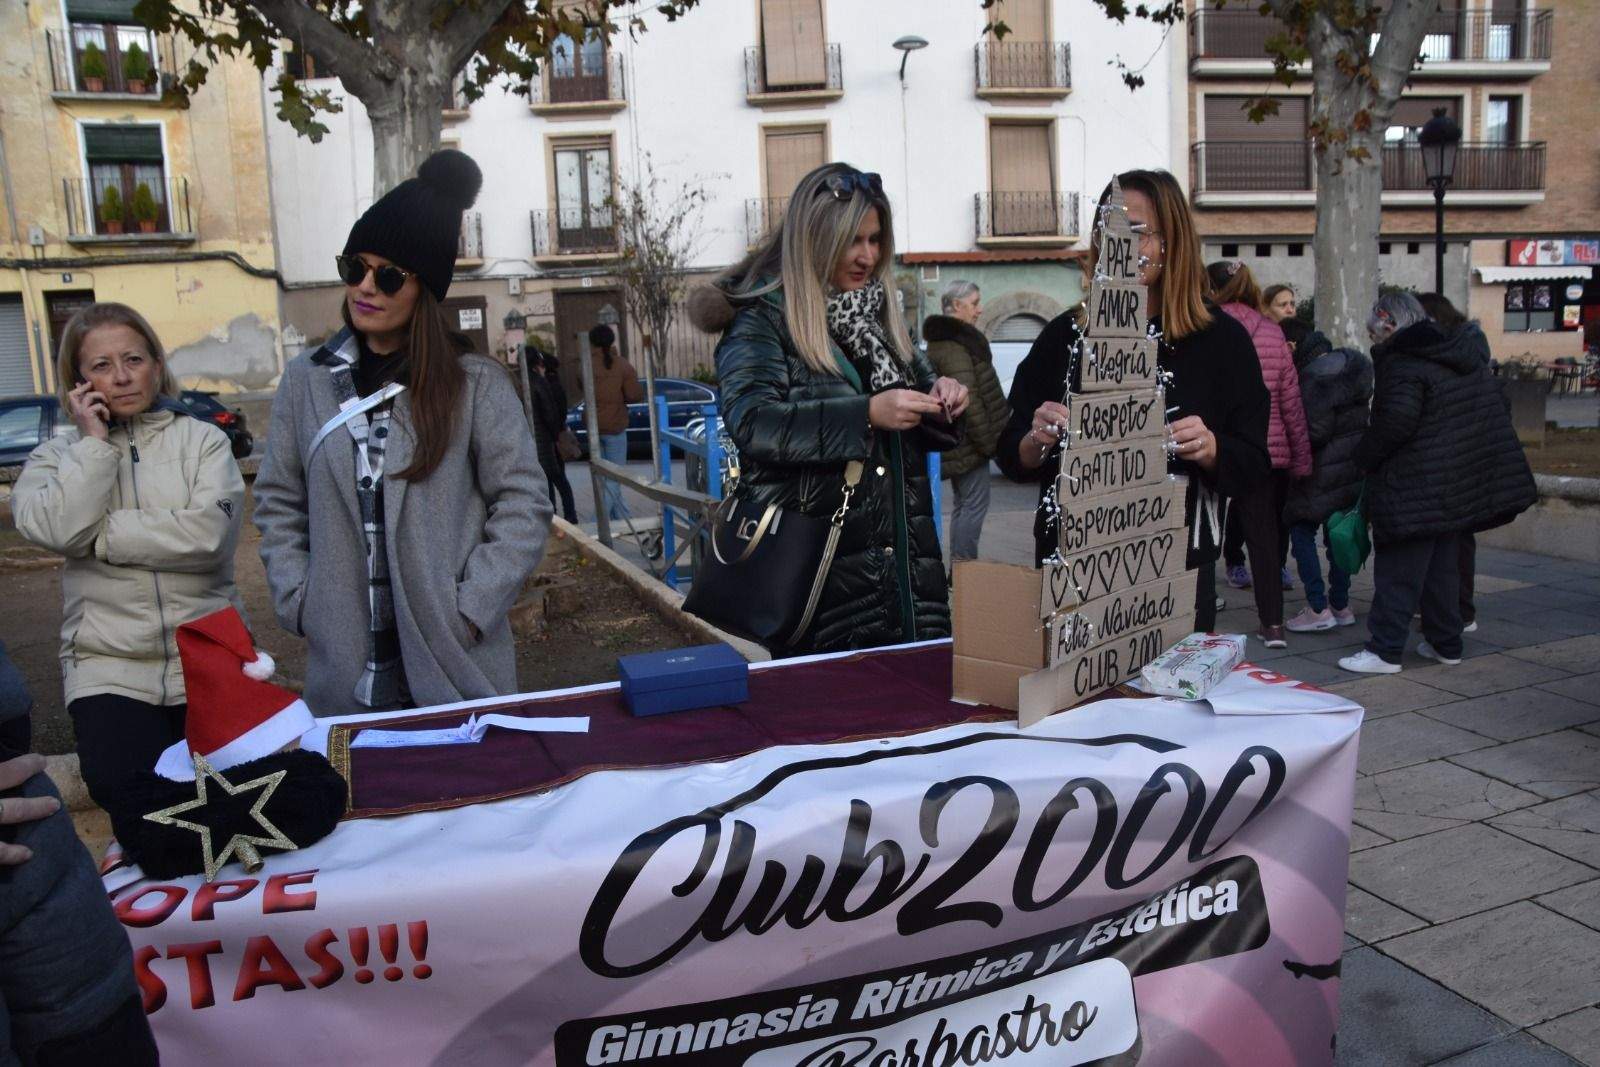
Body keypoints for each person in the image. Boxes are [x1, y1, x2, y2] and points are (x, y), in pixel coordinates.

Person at [254, 149, 551, 715]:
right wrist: (300, 600)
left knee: (470, 797)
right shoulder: (305, 383)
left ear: (424, 288)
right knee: (366, 801)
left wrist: (470, 608)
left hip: (453, 660)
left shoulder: (475, 385)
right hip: (345, 667)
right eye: (354, 267)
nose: (366, 286)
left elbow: (523, 502)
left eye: (388, 275)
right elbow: (277, 500)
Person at [689, 162, 968, 655]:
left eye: (876, 239)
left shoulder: (877, 316)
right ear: (815, 239)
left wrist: (944, 397)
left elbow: (921, 396)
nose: (868, 256)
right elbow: (752, 423)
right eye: (852, 240)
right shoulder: (762, 318)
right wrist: (865, 415)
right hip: (818, 589)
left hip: (907, 581)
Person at [998, 170, 1270, 633]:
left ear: (1173, 241)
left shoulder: (1221, 341)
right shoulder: (1065, 336)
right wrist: (1033, 441)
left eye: (1138, 233)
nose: (1120, 245)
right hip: (1074, 570)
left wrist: (1211, 448)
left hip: (1174, 573)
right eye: (1108, 230)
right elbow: (1008, 449)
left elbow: (1253, 464)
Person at [13, 302, 245, 813]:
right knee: (133, 803)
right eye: (100, 365)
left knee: (241, 804)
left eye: (134, 359)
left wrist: (96, 537)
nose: (120, 377)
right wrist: (94, 446)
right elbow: (51, 525)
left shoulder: (204, 441)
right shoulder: (56, 460)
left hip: (210, 658)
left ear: (157, 365)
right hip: (108, 669)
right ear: (77, 381)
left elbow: (208, 536)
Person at [1338, 293, 1536, 675]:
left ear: (1389, 324)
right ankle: (1447, 643)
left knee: (1399, 568)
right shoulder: (1456, 351)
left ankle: (1385, 650)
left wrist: (1364, 456)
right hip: (1455, 482)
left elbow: (1396, 421)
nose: (1371, 338)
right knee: (1443, 569)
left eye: (1372, 330)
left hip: (1415, 483)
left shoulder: (1403, 359)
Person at [1208, 261, 1312, 648]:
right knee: (1265, 539)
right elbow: (1291, 403)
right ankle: (1273, 625)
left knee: (1202, 529)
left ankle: (1200, 616)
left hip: (1210, 445)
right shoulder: (1272, 333)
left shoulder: (1202, 327)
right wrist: (1301, 458)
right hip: (1265, 451)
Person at [1281, 324, 1372, 632]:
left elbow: (1316, 433)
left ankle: (1318, 608)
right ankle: (1341, 604)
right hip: (1350, 471)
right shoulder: (1354, 372)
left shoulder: (1314, 379)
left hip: (1318, 473)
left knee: (1301, 531)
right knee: (1337, 536)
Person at [923, 280, 1008, 564]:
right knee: (972, 506)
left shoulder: (949, 342)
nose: (979, 310)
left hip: (963, 443)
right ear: (957, 306)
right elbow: (969, 401)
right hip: (970, 444)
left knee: (964, 506)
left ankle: (960, 570)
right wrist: (989, 445)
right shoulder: (955, 346)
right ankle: (963, 570)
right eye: (974, 303)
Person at [1418, 291, 1483, 633]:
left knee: (1449, 544)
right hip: (1464, 456)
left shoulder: (1452, 355)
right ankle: (1458, 611)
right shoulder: (1468, 352)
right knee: (1457, 542)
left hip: (1452, 458)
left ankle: (1456, 612)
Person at [588, 324, 644, 522]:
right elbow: (634, 394)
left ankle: (624, 520)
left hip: (594, 428)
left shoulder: (585, 365)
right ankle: (597, 523)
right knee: (614, 478)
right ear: (611, 341)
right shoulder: (622, 365)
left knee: (604, 478)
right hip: (615, 427)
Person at [530, 346, 578, 523]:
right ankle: (569, 517)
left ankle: (553, 517)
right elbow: (551, 413)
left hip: (531, 441)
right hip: (546, 440)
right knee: (559, 479)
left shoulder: (517, 383)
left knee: (546, 481)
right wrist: (555, 434)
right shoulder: (542, 383)